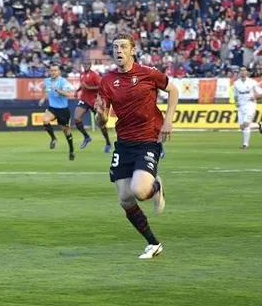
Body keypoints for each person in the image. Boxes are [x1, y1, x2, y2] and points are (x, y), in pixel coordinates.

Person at [94, 33, 179, 259]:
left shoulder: (148, 73)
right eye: (115, 47)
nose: (119, 51)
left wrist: (168, 120)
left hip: (147, 141)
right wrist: (100, 115)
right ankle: (153, 243)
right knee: (125, 199)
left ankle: (155, 187)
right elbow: (101, 119)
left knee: (140, 191)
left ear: (133, 50)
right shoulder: (107, 81)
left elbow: (173, 90)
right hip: (123, 144)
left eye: (123, 46)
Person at [74, 59, 112, 153]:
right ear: (83, 65)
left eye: (88, 64)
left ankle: (108, 143)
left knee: (101, 124)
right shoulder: (82, 74)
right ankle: (87, 137)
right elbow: (83, 85)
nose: (86, 65)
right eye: (85, 64)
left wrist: (89, 88)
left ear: (90, 65)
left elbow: (101, 86)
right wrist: (77, 91)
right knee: (77, 118)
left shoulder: (94, 75)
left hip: (94, 101)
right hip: (84, 100)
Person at [39, 64, 75, 160]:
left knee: (66, 131)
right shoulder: (47, 81)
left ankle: (71, 150)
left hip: (63, 110)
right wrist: (43, 98)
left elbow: (68, 94)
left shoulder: (63, 81)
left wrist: (57, 89)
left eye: (55, 70)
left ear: (59, 72)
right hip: (52, 109)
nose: (53, 72)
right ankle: (53, 138)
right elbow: (43, 86)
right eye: (51, 70)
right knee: (45, 120)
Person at [233, 66, 262, 149]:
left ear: (247, 72)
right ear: (239, 72)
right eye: (241, 70)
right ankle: (259, 125)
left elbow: (260, 93)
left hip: (250, 105)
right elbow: (235, 95)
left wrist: (255, 97)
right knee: (242, 126)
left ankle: (245, 144)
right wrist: (236, 102)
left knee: (246, 124)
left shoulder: (252, 82)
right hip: (241, 106)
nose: (242, 72)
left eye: (244, 70)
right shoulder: (236, 83)